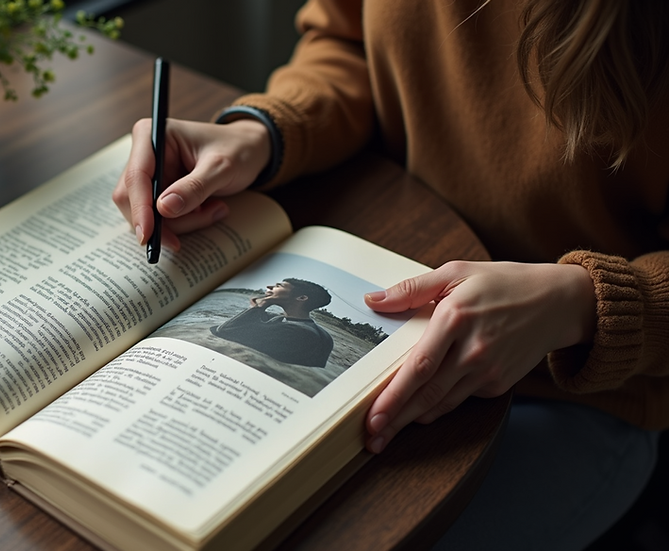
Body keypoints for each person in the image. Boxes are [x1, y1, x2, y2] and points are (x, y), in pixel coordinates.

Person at [112, 0, 669, 548]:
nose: (268, 289)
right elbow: (347, 40)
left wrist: (584, 304)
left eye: (275, 288)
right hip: (403, 260)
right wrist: (269, 129)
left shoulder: (305, 338)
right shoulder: (300, 330)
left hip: (574, 390)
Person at [210, 278, 334, 368]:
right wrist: (257, 309)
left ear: (301, 298)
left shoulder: (294, 332)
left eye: (279, 286)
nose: (269, 287)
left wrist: (261, 305)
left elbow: (224, 330)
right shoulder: (323, 334)